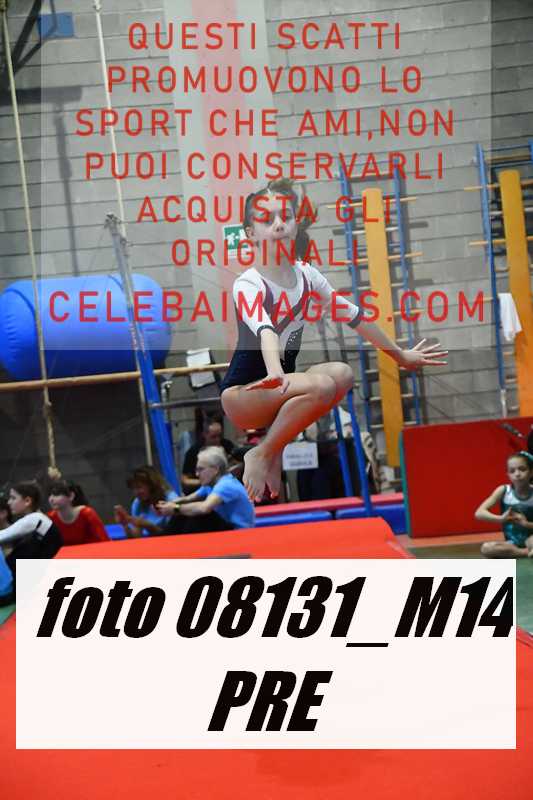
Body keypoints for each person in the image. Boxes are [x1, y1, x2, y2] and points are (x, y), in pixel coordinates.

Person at [220, 177, 448, 502]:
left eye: (286, 216)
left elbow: (356, 316)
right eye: (267, 219)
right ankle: (262, 453)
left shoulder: (307, 276)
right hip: (245, 395)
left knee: (342, 374)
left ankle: (273, 448)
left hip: (281, 388)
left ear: (296, 223)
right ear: (250, 233)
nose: (279, 224)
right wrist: (275, 371)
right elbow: (265, 330)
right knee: (323, 386)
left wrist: (400, 355)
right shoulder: (249, 284)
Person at [155, 446, 255, 534]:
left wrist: (175, 508)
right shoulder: (211, 484)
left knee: (196, 514)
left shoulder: (226, 485)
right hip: (227, 527)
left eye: (200, 469)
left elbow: (204, 508)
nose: (197, 474)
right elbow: (187, 499)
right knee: (185, 510)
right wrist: (168, 504)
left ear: (215, 470)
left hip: (240, 533)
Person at [0, 481, 63, 589]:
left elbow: (3, 535)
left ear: (27, 501)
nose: (9, 502)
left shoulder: (35, 519)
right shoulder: (36, 519)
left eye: (13, 498)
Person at [475, 451, 533, 558]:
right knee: (486, 548)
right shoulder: (504, 491)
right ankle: (524, 552)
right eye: (512, 471)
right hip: (512, 543)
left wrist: (526, 524)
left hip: (531, 539)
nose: (517, 474)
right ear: (508, 475)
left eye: (522, 469)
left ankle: (527, 549)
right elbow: (479, 513)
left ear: (531, 472)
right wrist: (501, 519)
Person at [114, 465, 179, 538]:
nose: (136, 492)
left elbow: (173, 535)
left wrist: (148, 526)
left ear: (152, 485)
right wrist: (125, 525)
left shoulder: (171, 499)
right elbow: (136, 537)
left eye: (139, 487)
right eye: (133, 488)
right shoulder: (137, 503)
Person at [48, 480, 109, 546]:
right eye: (50, 495)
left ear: (71, 496)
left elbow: (105, 542)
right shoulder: (50, 517)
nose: (51, 499)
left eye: (56, 494)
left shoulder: (87, 514)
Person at [181, 420, 235, 493]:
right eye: (213, 437)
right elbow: (185, 480)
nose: (217, 440)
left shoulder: (226, 445)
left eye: (220, 436)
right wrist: (206, 481)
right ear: (204, 434)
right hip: (202, 489)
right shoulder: (193, 452)